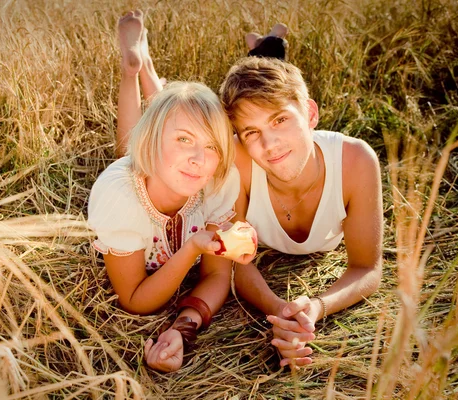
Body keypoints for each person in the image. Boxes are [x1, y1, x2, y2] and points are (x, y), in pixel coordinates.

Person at [88, 10, 255, 373]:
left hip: (157, 153)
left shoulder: (217, 180)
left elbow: (216, 275)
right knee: (127, 151)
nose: (199, 159)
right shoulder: (121, 200)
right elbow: (134, 299)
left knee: (169, 132)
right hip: (136, 170)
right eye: (185, 141)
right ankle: (132, 70)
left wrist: (184, 328)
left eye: (212, 146)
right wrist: (192, 248)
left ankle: (147, 70)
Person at [219, 57, 383, 368]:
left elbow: (367, 267)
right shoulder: (237, 162)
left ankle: (269, 46)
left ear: (310, 113)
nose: (270, 144)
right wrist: (281, 312)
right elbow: (232, 263)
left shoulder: (355, 161)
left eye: (280, 119)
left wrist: (316, 308)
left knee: (270, 52)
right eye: (251, 132)